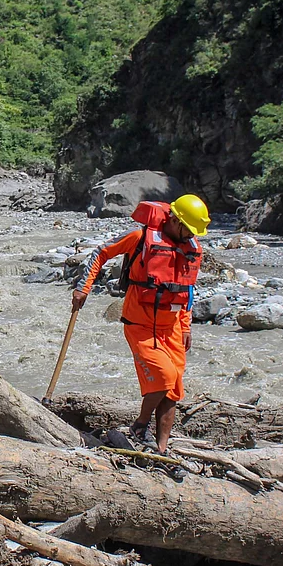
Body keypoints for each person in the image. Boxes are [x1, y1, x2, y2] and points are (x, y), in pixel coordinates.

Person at [72, 195, 210, 477]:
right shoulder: (140, 236)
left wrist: (186, 327)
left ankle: (161, 449)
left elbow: (186, 292)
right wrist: (83, 287)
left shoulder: (192, 248)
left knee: (173, 391)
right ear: (174, 220)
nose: (192, 236)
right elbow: (101, 252)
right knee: (163, 377)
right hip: (140, 323)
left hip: (171, 327)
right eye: (189, 229)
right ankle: (139, 425)